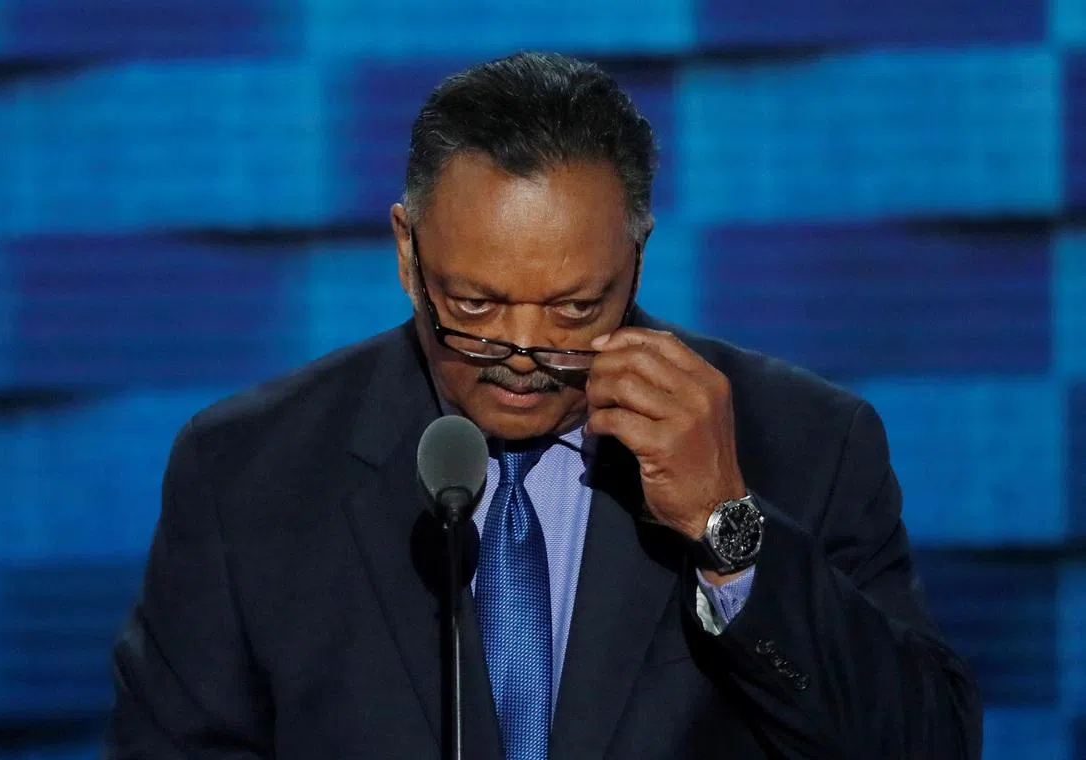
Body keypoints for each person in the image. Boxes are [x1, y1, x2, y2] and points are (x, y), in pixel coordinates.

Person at [105, 52, 982, 759]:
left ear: (637, 257)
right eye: (476, 305)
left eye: (573, 310)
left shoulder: (806, 441)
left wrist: (727, 525)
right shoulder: (246, 471)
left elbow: (926, 743)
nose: (523, 356)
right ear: (408, 253)